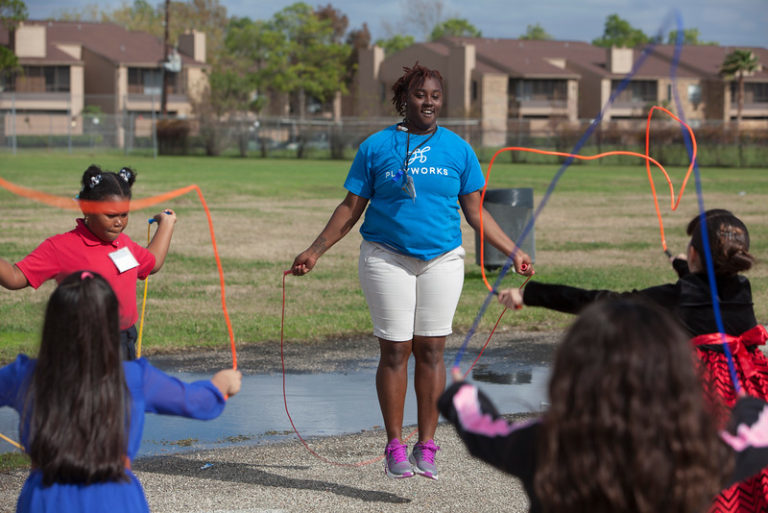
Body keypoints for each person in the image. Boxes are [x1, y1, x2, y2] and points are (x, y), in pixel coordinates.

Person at [291, 63, 533, 480]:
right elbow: (351, 209)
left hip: (442, 258)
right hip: (387, 257)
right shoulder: (376, 147)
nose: (429, 102)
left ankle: (427, 445)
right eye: (421, 95)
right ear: (404, 99)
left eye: (436, 96)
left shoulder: (458, 150)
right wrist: (315, 251)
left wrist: (513, 250)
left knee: (432, 350)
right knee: (395, 350)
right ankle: (394, 446)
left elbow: (476, 213)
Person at [496, 210, 768, 511]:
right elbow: (706, 289)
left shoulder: (680, 296)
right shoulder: (742, 289)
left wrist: (530, 294)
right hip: (746, 389)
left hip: (699, 397)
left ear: (694, 254)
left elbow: (605, 301)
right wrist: (684, 266)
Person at [439, 298, 768, 513]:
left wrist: (461, 394)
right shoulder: (692, 453)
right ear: (673, 376)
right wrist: (749, 408)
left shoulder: (547, 441)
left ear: (574, 371)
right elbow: (756, 437)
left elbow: (482, 429)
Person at [0, 271, 242, 513]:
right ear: (112, 323)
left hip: (44, 500)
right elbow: (199, 403)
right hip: (115, 499)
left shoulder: (24, 374)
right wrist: (220, 385)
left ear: (53, 322)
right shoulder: (135, 377)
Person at [0, 164, 177, 360]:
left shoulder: (123, 244)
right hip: (80, 346)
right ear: (86, 209)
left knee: (122, 391)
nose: (119, 222)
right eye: (110, 215)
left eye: (124, 214)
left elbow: (152, 262)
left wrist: (167, 225)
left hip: (123, 343)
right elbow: (15, 277)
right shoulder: (60, 247)